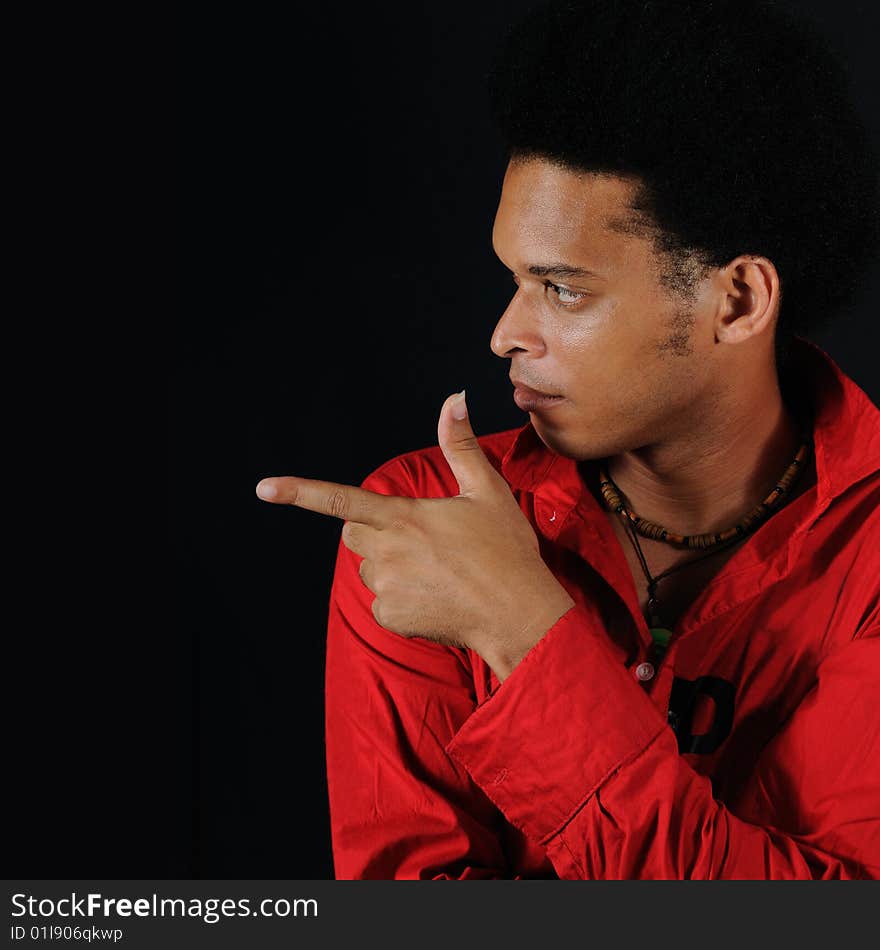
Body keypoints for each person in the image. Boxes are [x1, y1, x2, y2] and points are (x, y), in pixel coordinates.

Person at [256, 0, 879, 878]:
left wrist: (524, 634)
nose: (506, 332)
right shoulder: (421, 522)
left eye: (563, 289)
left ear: (736, 301)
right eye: (514, 278)